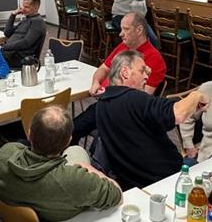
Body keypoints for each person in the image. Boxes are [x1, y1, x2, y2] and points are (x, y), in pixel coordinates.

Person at [96, 50, 209, 191]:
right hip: (168, 178)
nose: (146, 77)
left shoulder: (101, 104)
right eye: (142, 71)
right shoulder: (136, 99)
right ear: (125, 72)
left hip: (131, 184)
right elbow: (178, 114)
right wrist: (196, 95)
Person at [0, 106, 122, 222]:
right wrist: (88, 168)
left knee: (75, 151)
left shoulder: (5, 153)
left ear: (30, 133)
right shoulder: (74, 180)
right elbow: (116, 195)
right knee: (78, 151)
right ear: (68, 141)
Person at [71, 12, 166, 144]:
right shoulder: (123, 47)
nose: (121, 33)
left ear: (139, 30)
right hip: (105, 103)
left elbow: (142, 96)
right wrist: (95, 82)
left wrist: (109, 93)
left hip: (125, 113)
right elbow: (103, 68)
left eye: (126, 29)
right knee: (71, 129)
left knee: (97, 140)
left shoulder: (154, 59)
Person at [0, 0, 46, 68]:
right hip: (10, 52)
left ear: (36, 8)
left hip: (20, 57)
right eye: (23, 6)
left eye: (26, 7)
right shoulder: (26, 19)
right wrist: (13, 15)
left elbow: (26, 43)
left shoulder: (37, 22)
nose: (23, 9)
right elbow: (7, 33)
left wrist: (5, 47)